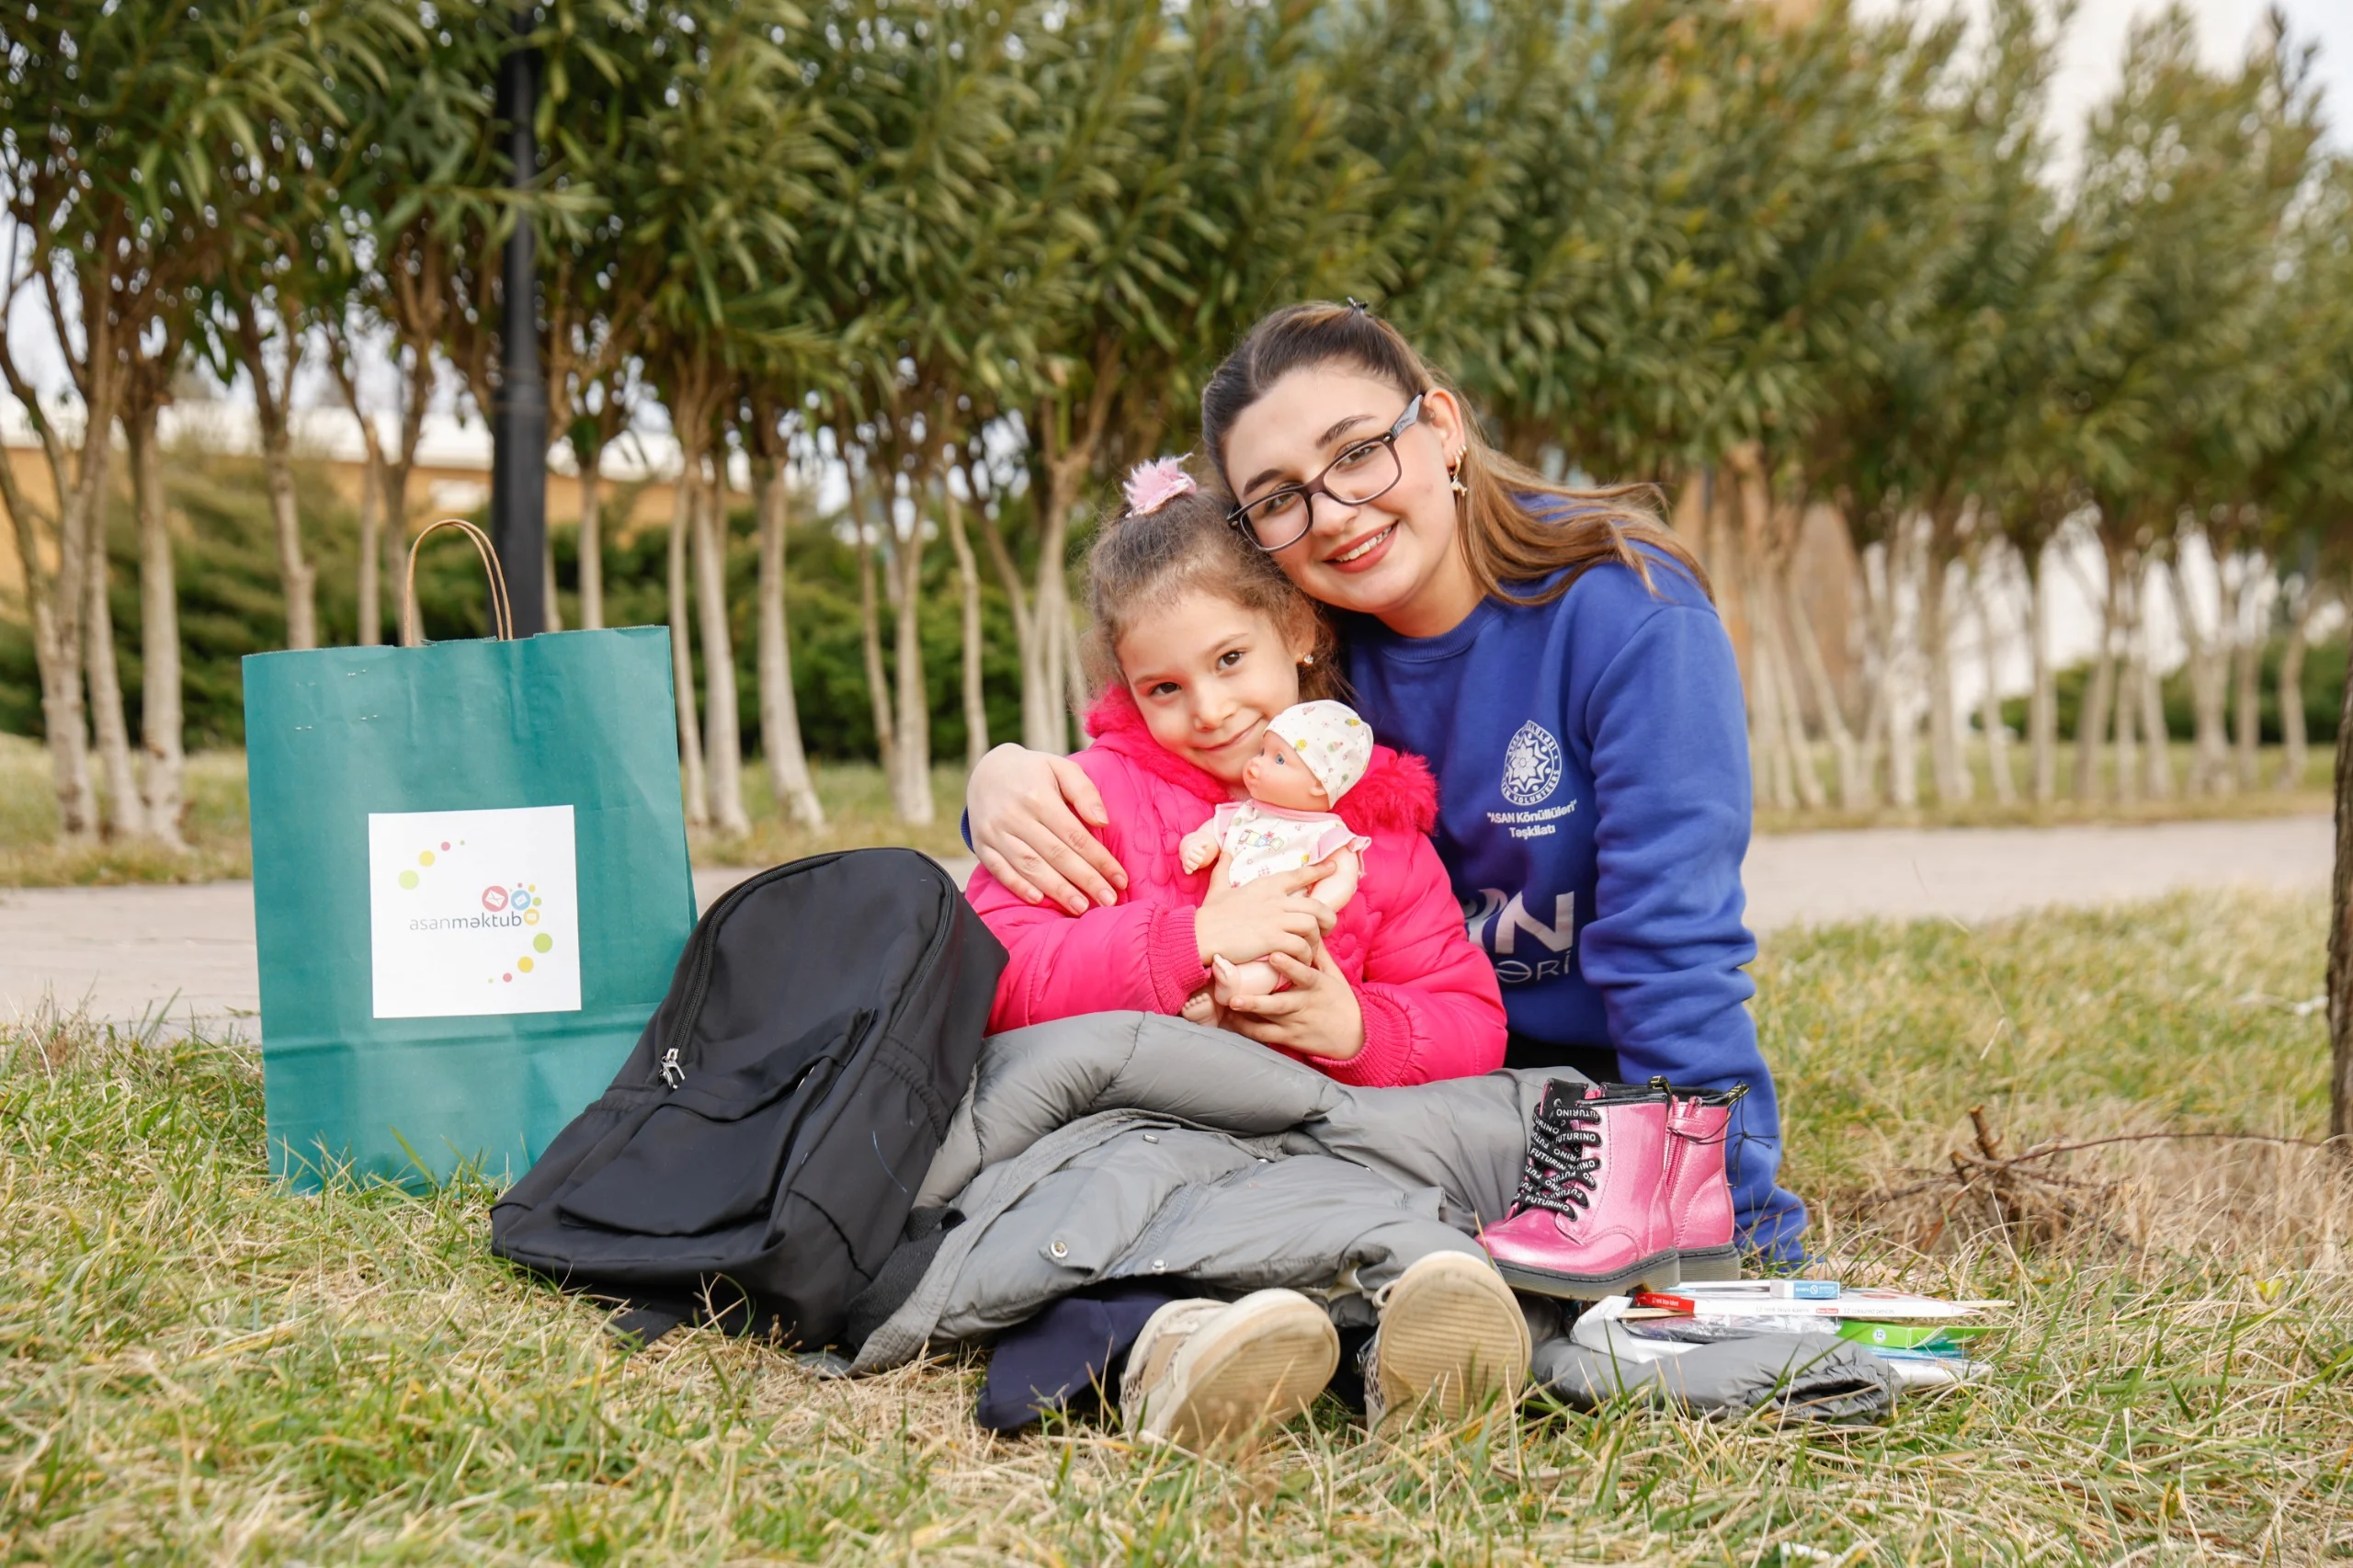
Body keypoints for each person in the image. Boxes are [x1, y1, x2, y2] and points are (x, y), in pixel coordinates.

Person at [967, 301, 1808, 1259]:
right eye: (1280, 497)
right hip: (1362, 1080)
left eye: (1357, 450)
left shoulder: (1627, 619)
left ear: (1440, 427)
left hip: (1562, 1103)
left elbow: (1672, 951)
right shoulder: (1302, 658)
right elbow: (1147, 763)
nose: (1333, 513)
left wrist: (1736, 1211)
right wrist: (998, 780)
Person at [965, 456, 1506, 1085]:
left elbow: (1471, 1027)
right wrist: (1189, 941)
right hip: (1126, 1140)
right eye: (1164, 687)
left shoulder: (1377, 832)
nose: (1211, 712)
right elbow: (990, 981)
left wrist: (1355, 1029)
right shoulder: (1089, 802)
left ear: (1296, 629)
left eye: (1229, 659)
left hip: (1316, 1156)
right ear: (1127, 687)